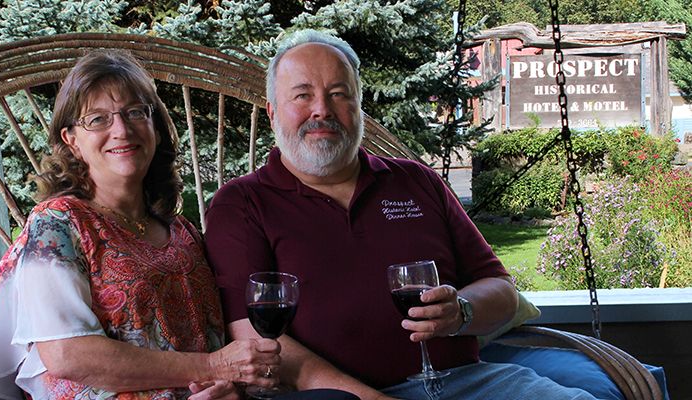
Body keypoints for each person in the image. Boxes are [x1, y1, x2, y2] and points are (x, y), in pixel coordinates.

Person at [204, 30, 601, 400]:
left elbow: (500, 289)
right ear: (273, 112)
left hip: (464, 382)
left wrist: (461, 312)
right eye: (302, 96)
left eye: (339, 94)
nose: (322, 109)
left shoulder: (416, 181)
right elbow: (254, 338)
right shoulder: (241, 205)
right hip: (333, 396)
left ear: (359, 108)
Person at [0, 50, 283, 400]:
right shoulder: (58, 223)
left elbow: (219, 344)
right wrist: (213, 367)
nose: (121, 130)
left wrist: (228, 385)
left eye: (135, 113)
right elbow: (68, 355)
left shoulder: (183, 233)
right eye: (97, 120)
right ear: (72, 141)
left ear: (154, 126)